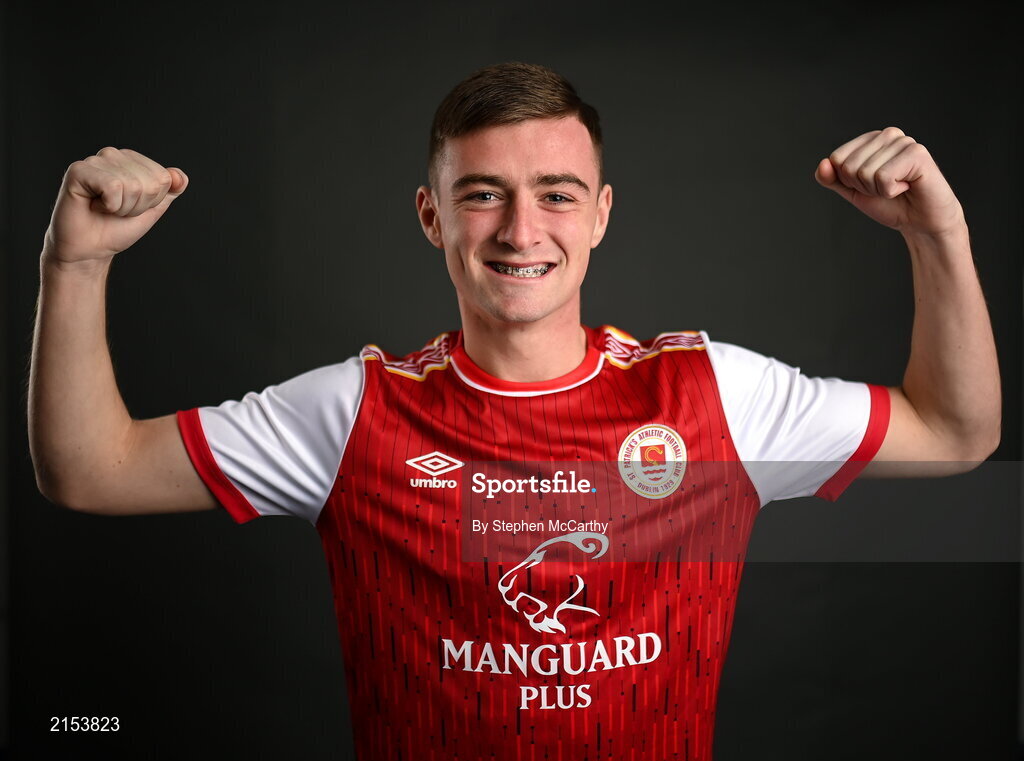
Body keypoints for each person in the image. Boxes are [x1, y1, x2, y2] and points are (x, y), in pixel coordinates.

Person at [28, 62, 1000, 760]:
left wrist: (936, 233)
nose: (521, 229)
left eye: (556, 194)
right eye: (483, 194)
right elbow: (90, 469)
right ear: (431, 214)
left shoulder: (714, 397)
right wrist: (76, 263)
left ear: (603, 212)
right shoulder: (353, 412)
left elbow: (954, 434)